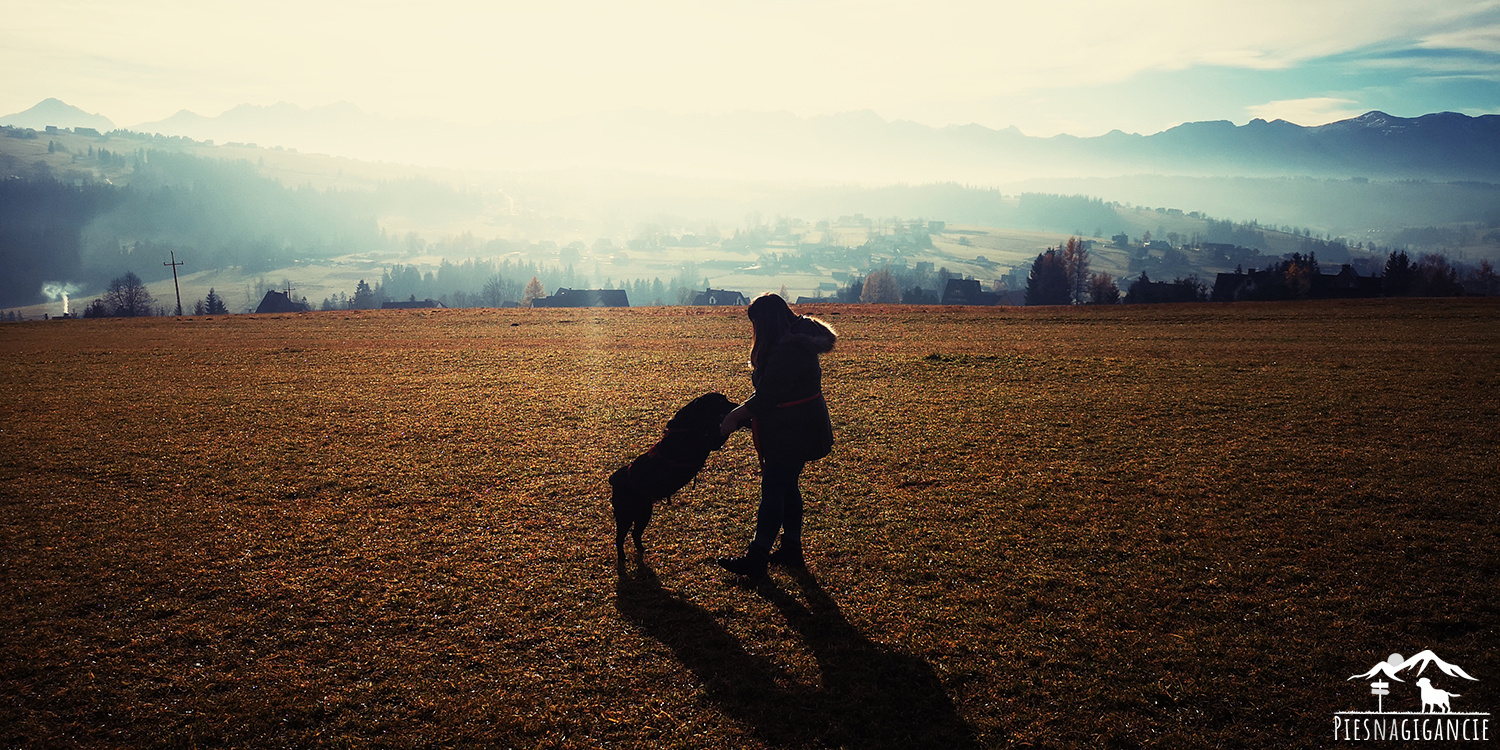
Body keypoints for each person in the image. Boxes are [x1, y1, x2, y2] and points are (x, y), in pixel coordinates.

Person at [717, 293, 836, 577]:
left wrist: (734, 416)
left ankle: (758, 556)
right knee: (786, 486)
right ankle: (791, 549)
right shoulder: (792, 338)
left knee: (773, 489)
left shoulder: (788, 349)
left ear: (766, 321)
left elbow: (769, 395)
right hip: (798, 425)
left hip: (795, 430)